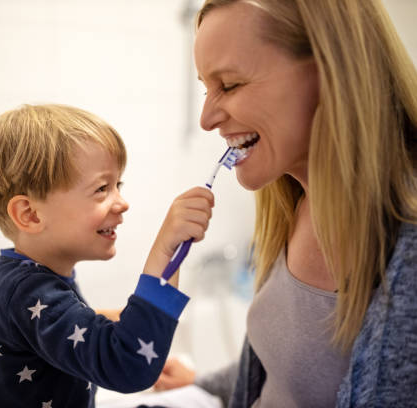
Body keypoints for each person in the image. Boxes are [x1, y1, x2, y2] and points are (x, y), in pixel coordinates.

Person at [155, 0, 417, 407]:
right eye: (207, 88)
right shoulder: (294, 203)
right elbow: (287, 372)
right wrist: (205, 385)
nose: (206, 119)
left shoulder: (408, 248)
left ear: (331, 69)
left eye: (231, 84)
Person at [0, 104, 215, 407]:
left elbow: (67, 322)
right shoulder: (29, 291)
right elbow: (129, 364)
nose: (122, 203)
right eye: (102, 188)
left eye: (118, 185)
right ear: (30, 214)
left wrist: (122, 319)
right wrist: (166, 249)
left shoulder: (23, 276)